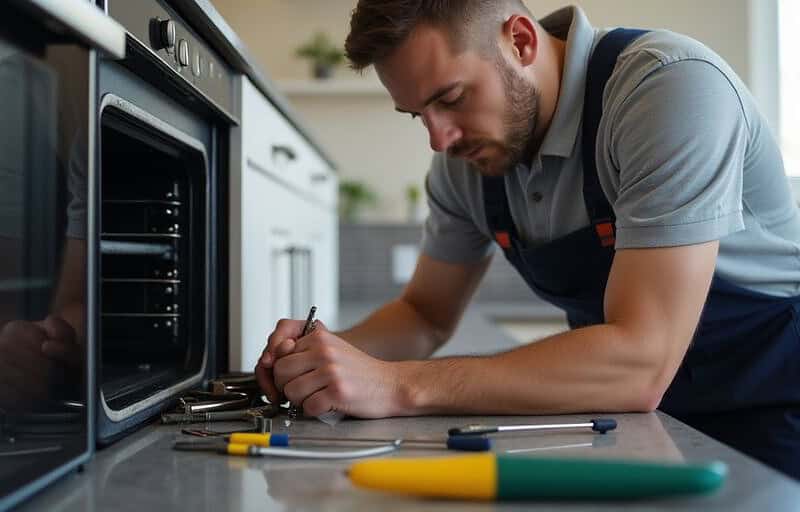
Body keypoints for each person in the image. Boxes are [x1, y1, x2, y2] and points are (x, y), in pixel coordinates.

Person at [255, 1, 800, 479]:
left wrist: (395, 385)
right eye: (417, 114)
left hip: (776, 412)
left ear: (519, 40)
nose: (439, 138)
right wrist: (324, 359)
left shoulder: (668, 89)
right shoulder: (464, 165)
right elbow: (423, 314)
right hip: (638, 418)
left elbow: (641, 357)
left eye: (451, 97)